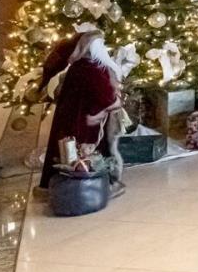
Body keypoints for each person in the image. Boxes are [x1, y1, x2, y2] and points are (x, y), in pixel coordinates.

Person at [38, 30, 137, 191]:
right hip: (86, 124)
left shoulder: (79, 66)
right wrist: (117, 101)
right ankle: (87, 190)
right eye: (101, 45)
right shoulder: (93, 69)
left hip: (74, 119)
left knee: (68, 153)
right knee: (83, 157)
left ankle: (66, 188)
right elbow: (106, 98)